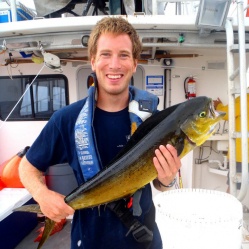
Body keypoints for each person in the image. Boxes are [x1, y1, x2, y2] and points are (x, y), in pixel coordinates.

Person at [19, 17, 182, 249]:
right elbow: (27, 166)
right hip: (89, 241)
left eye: (124, 55)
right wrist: (42, 195)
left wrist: (167, 180)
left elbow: (159, 184)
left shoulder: (152, 117)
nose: (114, 64)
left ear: (135, 63)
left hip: (143, 240)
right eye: (106, 54)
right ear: (93, 61)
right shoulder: (66, 119)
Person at [214, 95, 249, 193]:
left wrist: (218, 105)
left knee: (233, 188)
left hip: (243, 154)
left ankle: (228, 208)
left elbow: (225, 113)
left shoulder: (245, 99)